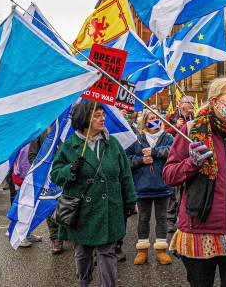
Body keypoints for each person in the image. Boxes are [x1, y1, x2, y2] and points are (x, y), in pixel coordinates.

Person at [163, 78, 226, 287]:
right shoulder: (190, 131)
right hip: (200, 229)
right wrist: (192, 163)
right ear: (214, 101)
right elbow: (169, 175)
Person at [51, 101, 137, 287]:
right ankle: (84, 283)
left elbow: (125, 174)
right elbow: (56, 175)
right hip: (82, 212)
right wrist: (69, 170)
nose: (102, 118)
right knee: (82, 254)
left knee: (107, 253)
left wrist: (130, 200)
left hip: (109, 208)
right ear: (84, 119)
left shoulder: (112, 143)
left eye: (102, 114)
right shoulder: (69, 146)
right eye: (97, 115)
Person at [128, 108, 174, 265]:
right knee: (143, 218)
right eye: (151, 118)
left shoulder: (168, 137)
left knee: (162, 218)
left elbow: (174, 152)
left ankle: (161, 250)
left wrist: (154, 152)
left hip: (163, 185)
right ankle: (142, 250)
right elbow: (126, 159)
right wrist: (141, 160)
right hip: (142, 187)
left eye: (157, 117)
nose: (154, 120)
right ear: (145, 121)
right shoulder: (137, 139)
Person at [27, 127, 62, 254]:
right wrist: (43, 171)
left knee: (69, 205)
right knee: (50, 207)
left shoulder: (67, 128)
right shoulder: (41, 131)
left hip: (66, 175)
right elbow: (31, 156)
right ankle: (56, 238)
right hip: (48, 179)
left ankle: (70, 235)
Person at [166, 95, 196, 237]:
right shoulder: (171, 116)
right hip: (176, 157)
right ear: (181, 104)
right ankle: (171, 219)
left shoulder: (195, 118)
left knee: (186, 192)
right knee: (174, 193)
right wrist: (175, 128)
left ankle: (182, 218)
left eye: (193, 103)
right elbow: (164, 132)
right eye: (189, 103)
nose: (192, 105)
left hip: (191, 158)